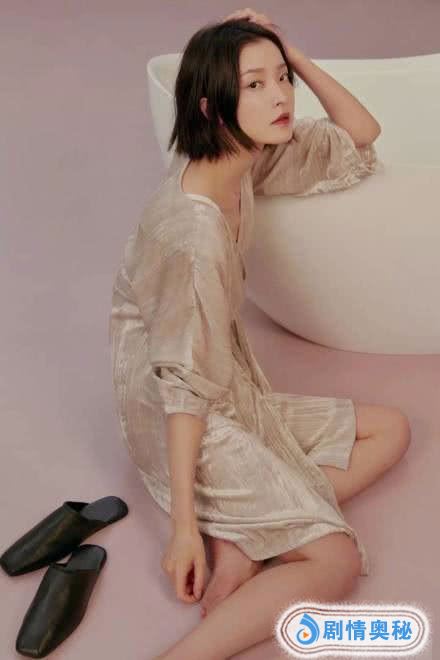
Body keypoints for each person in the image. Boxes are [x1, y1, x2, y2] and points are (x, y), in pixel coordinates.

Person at [109, 9, 411, 660]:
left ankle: (247, 538)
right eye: (254, 85)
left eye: (282, 79)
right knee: (334, 562)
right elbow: (181, 388)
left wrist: (290, 52)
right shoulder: (191, 234)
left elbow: (360, 134)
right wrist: (184, 530)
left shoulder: (239, 162)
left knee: (391, 429)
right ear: (211, 105)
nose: (279, 96)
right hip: (178, 410)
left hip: (227, 387)